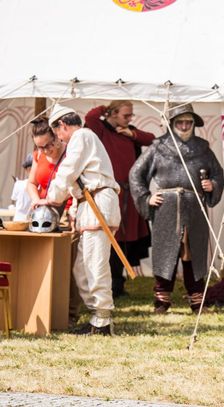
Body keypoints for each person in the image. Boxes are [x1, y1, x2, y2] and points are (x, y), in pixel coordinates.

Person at [129, 103, 224, 314]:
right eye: (180, 122)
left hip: (195, 206)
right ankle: (161, 301)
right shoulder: (158, 147)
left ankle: (197, 301)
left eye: (188, 122)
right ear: (172, 123)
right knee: (166, 252)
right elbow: (136, 174)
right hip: (167, 207)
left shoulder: (203, 148)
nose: (184, 126)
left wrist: (213, 185)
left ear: (193, 124)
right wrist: (147, 198)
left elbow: (218, 173)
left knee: (194, 253)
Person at [35, 104, 121, 335]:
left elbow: (68, 171)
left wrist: (51, 198)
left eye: (57, 132)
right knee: (82, 269)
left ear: (62, 125)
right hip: (90, 205)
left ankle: (103, 321)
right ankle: (97, 317)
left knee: (94, 264)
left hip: (98, 203)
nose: (59, 138)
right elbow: (76, 180)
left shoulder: (81, 136)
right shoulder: (83, 139)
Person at [85, 101, 155, 297]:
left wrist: (132, 134)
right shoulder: (101, 131)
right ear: (113, 114)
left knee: (126, 241)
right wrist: (105, 107)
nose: (129, 118)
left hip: (128, 196)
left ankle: (118, 284)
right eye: (126, 115)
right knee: (111, 238)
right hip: (109, 195)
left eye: (131, 115)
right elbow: (90, 117)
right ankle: (110, 284)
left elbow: (152, 139)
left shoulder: (128, 132)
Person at [27, 117, 81, 326]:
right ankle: (41, 307)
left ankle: (69, 314)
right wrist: (36, 200)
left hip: (67, 213)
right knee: (41, 261)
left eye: (49, 144)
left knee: (68, 265)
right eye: (40, 147)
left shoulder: (71, 155)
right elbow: (31, 183)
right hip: (42, 215)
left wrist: (73, 210)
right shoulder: (38, 154)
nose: (45, 150)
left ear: (57, 136)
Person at [10, 154, 33, 221]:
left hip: (19, 219)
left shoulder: (18, 184)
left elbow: (14, 198)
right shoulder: (41, 185)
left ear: (26, 170)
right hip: (32, 221)